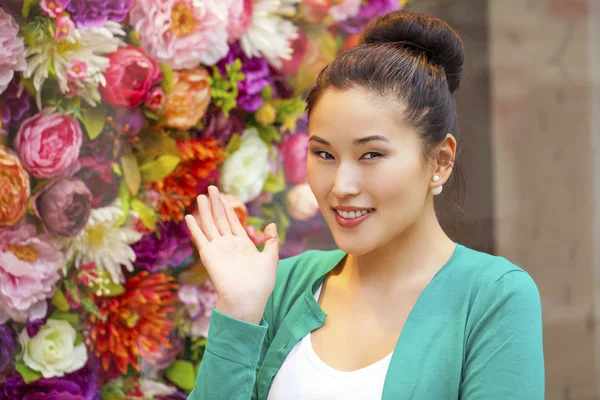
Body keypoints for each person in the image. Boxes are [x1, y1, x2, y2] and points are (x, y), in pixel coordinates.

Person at [184, 10, 544, 400]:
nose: (341, 186)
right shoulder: (278, 285)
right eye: (324, 154)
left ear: (440, 160)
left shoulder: (492, 297)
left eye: (371, 155)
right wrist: (238, 312)